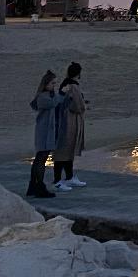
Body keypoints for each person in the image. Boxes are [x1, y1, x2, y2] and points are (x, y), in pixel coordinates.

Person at [52, 62, 88, 192]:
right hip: (69, 122)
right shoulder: (73, 86)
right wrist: (84, 106)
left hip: (65, 121)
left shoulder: (66, 84)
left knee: (66, 150)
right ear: (78, 73)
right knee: (64, 150)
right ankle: (58, 179)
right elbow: (77, 106)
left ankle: (68, 177)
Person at [26, 70, 60, 199]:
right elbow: (54, 103)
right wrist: (60, 94)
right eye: (52, 83)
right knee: (41, 159)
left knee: (40, 158)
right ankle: (39, 186)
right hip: (43, 132)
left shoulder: (46, 96)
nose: (54, 86)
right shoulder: (43, 97)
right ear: (46, 84)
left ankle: (33, 186)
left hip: (46, 131)